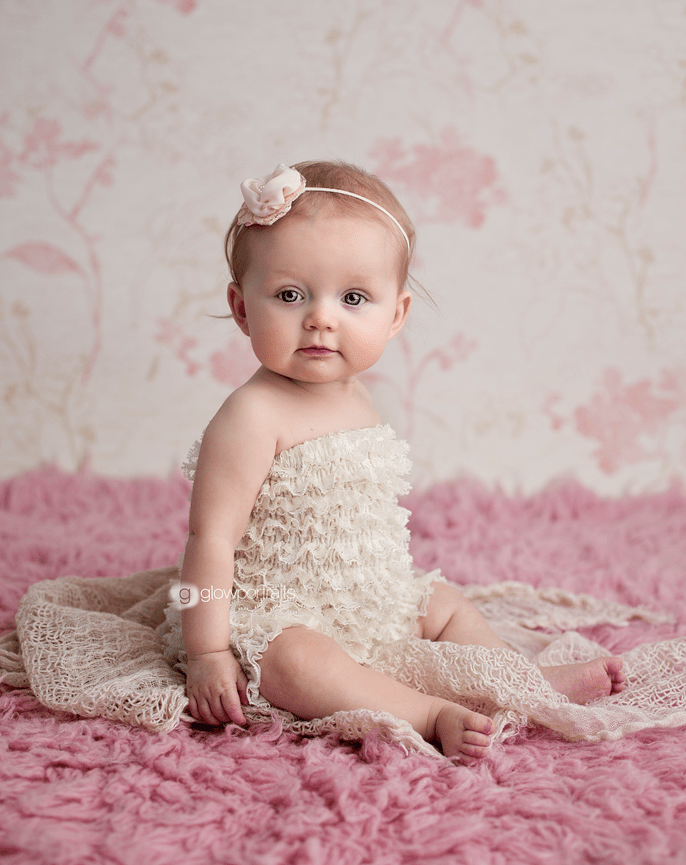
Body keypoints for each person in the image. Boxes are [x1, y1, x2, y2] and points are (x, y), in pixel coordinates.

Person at [178, 160, 626, 761]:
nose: (321, 317)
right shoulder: (250, 417)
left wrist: (389, 599)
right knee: (296, 662)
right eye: (289, 295)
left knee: (444, 606)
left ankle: (517, 683)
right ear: (240, 309)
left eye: (354, 297)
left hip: (370, 599)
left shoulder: (357, 395)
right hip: (280, 613)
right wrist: (208, 651)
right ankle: (428, 712)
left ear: (395, 316)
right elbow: (208, 539)